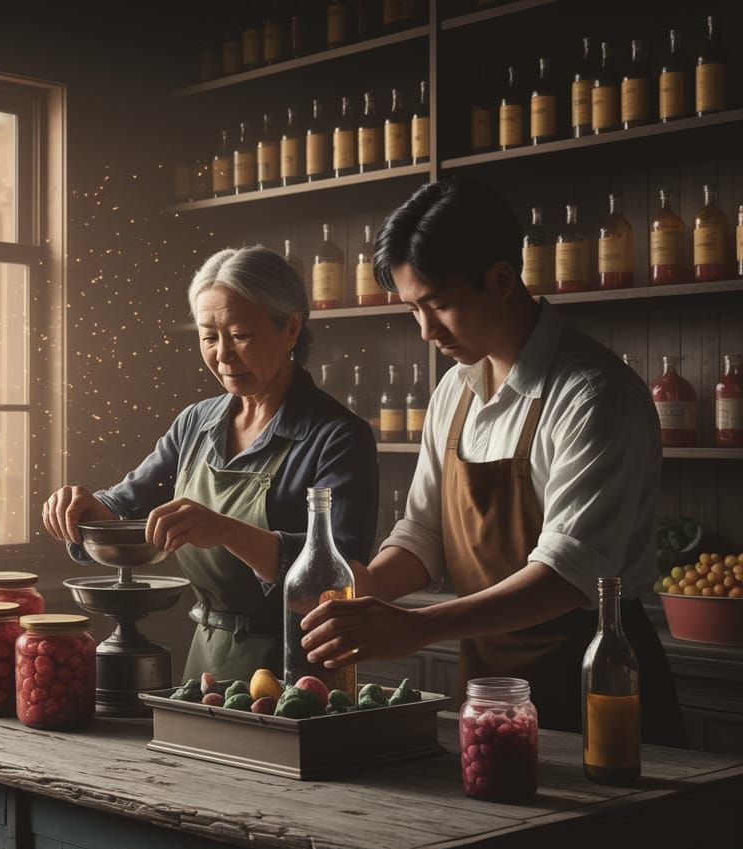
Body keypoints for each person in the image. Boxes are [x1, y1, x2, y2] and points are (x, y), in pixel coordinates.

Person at [300, 178, 685, 745]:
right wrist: (368, 587)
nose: (427, 331)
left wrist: (415, 626)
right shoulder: (454, 391)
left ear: (501, 280)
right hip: (490, 692)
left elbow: (565, 577)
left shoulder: (594, 396)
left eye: (440, 305)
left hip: (595, 684)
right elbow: (424, 532)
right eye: (413, 309)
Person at [43, 244, 378, 682]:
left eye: (240, 335)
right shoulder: (196, 423)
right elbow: (126, 508)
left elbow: (342, 573)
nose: (223, 354)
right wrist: (87, 511)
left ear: (291, 328)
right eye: (208, 337)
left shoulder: (338, 436)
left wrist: (226, 530)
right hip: (206, 664)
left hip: (300, 670)